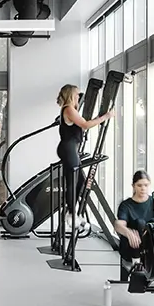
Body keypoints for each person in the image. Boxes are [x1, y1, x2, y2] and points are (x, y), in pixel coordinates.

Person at [56, 84, 114, 225]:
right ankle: (71, 214)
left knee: (81, 182)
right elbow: (85, 125)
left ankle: (71, 212)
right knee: (72, 182)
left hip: (70, 148)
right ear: (71, 95)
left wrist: (97, 118)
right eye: (76, 94)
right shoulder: (69, 109)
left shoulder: (70, 109)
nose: (78, 97)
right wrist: (106, 116)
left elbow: (84, 124)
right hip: (68, 149)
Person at [114, 171, 154, 266]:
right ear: (133, 186)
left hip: (153, 247)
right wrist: (128, 232)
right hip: (132, 247)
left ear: (149, 185)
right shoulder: (126, 205)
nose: (143, 188)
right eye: (139, 185)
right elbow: (118, 224)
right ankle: (136, 263)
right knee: (140, 223)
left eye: (146, 185)